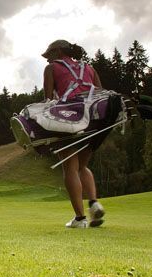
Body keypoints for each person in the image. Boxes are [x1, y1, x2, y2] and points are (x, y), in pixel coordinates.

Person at [41, 39, 106, 229]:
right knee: (82, 165)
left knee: (70, 165)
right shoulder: (89, 67)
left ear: (59, 51)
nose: (47, 60)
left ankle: (80, 219)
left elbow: (47, 100)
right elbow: (102, 94)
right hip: (94, 119)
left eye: (49, 55)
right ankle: (94, 202)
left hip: (69, 117)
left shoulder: (52, 69)